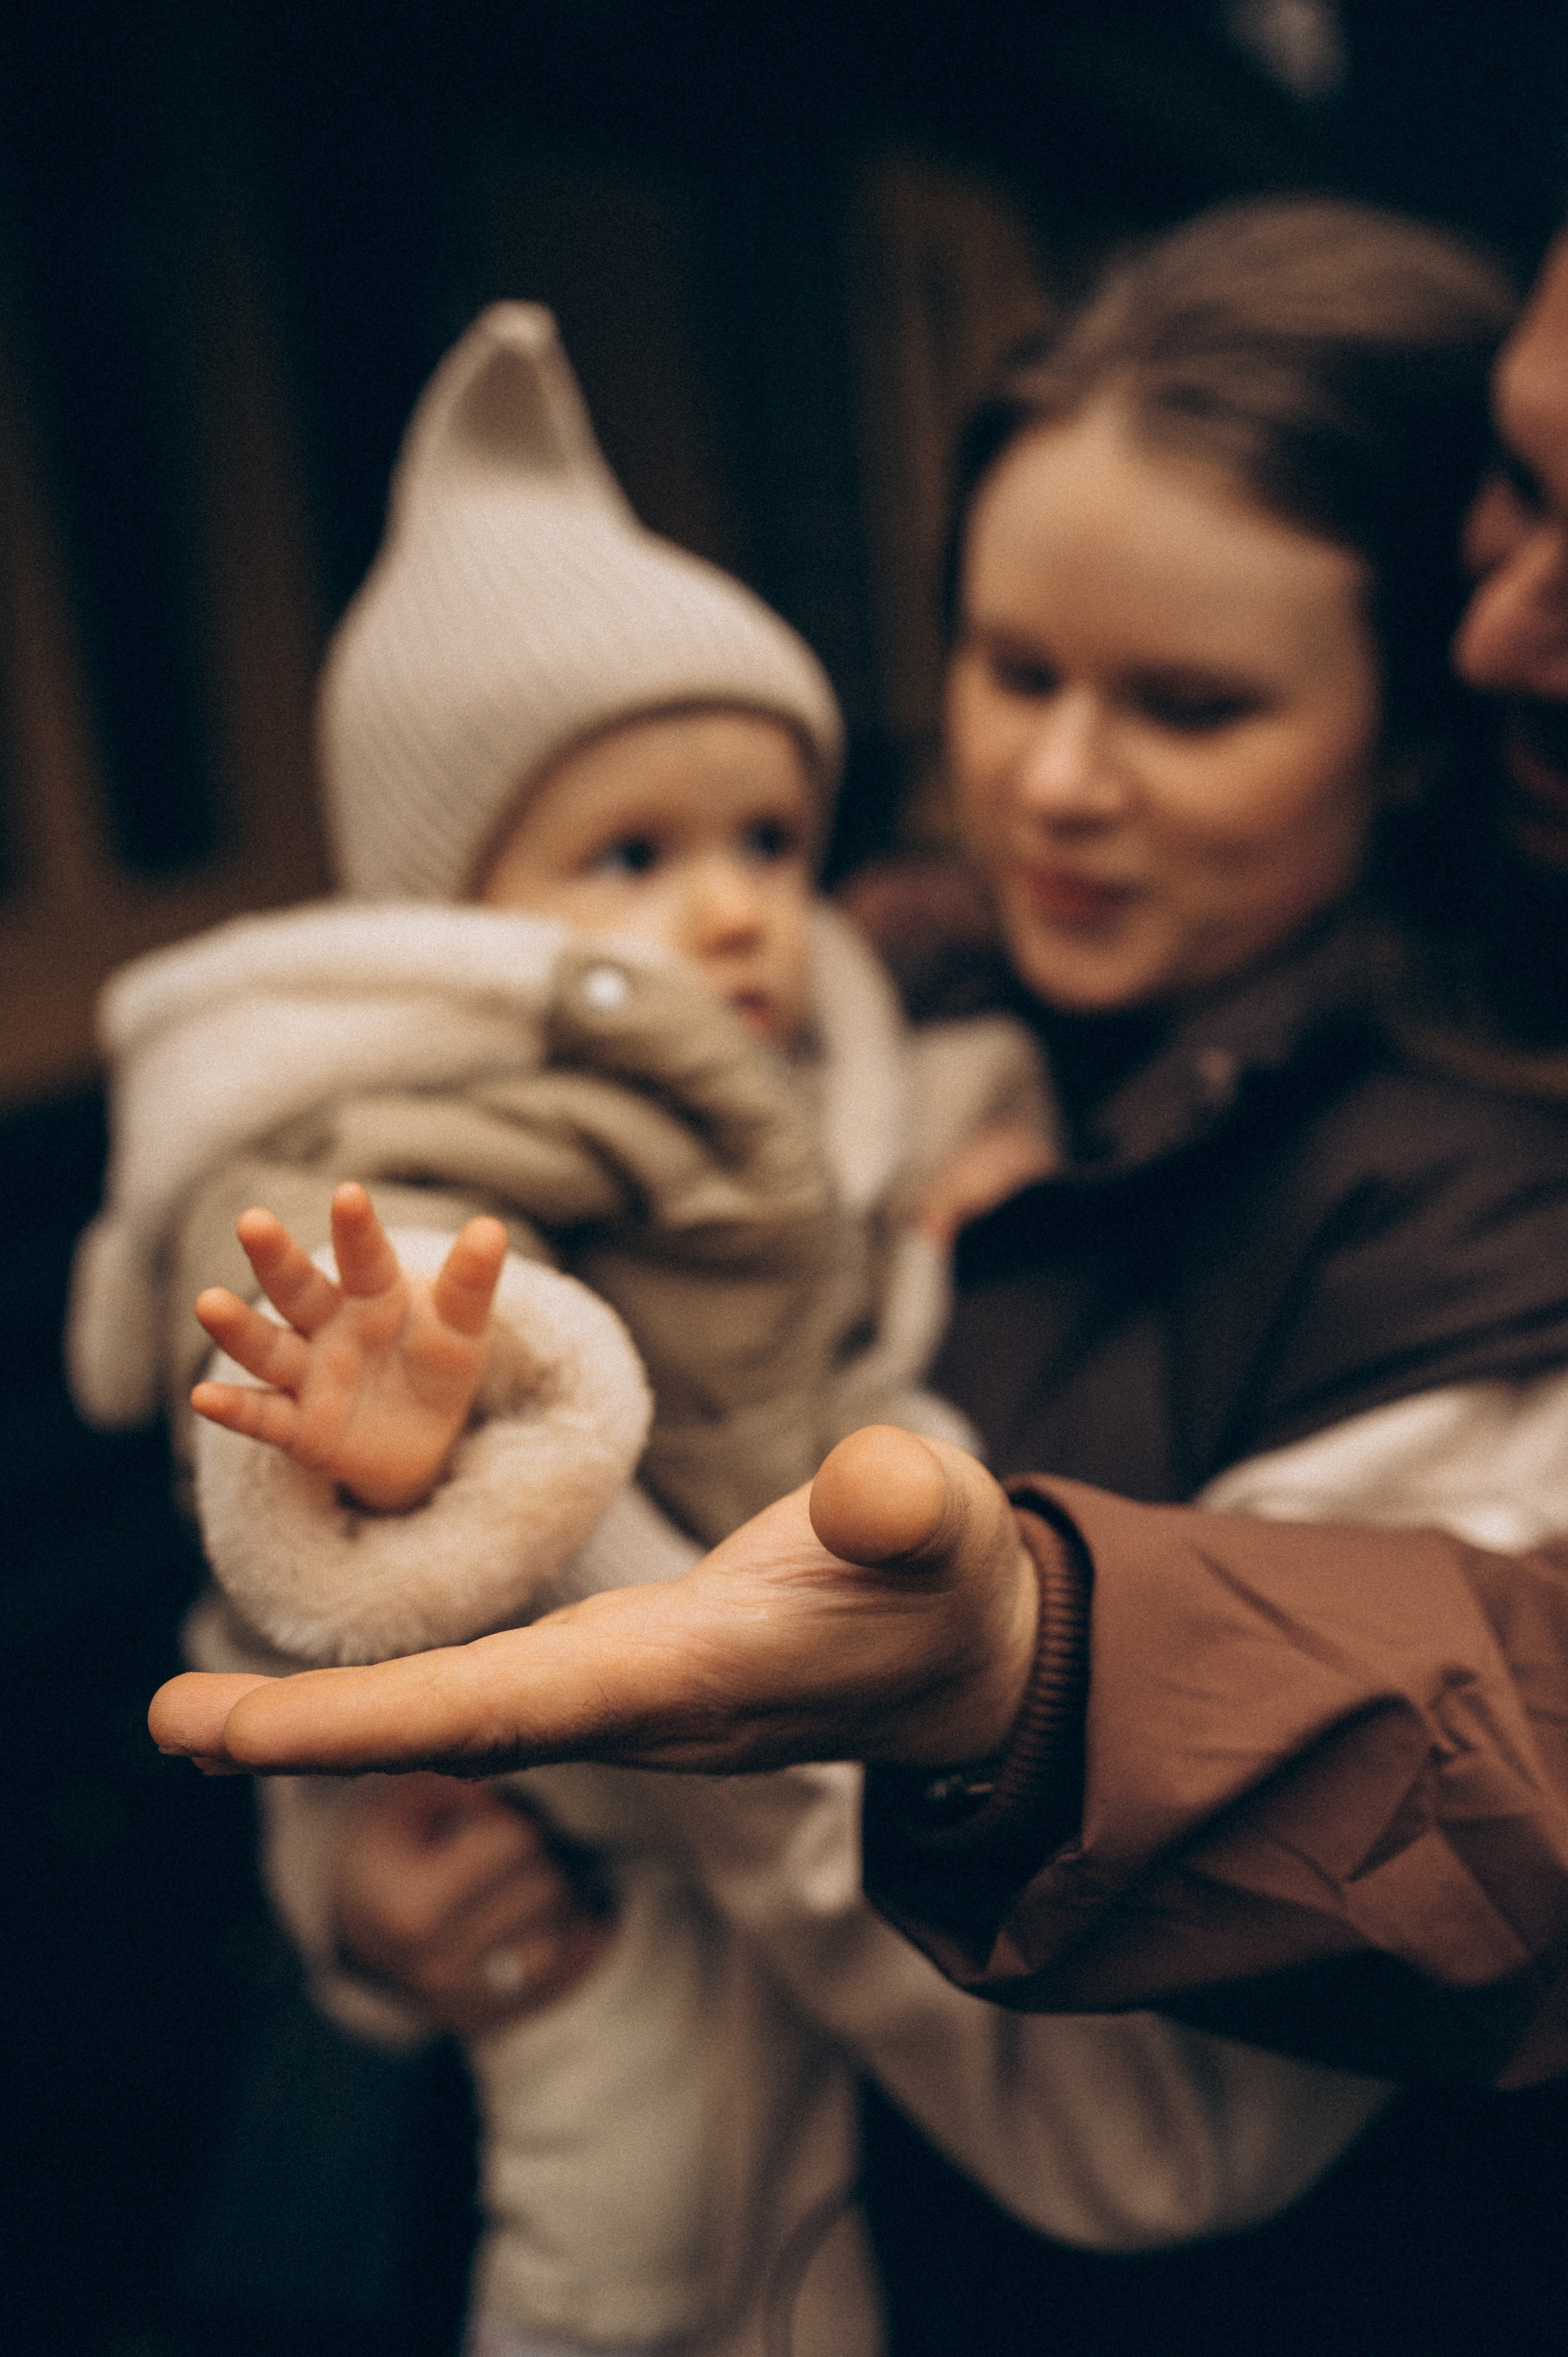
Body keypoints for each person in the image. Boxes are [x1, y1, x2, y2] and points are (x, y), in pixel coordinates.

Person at [150, 203, 1568, 2341]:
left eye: (1187, 707)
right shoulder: (840, 1020)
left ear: (1416, 726)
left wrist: (566, 1518)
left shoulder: (1468, 1224)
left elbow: (1158, 2134)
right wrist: (378, 1900)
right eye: (1013, 670)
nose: (1055, 785)